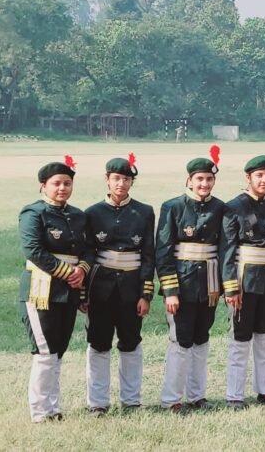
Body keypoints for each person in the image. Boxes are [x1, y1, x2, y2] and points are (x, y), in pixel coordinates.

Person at [157, 145, 229, 412]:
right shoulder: (173, 207)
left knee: (202, 338)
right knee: (180, 340)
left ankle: (197, 395)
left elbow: (224, 248)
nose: (204, 183)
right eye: (199, 178)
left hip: (209, 283)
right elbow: (163, 250)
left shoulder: (220, 207)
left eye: (209, 179)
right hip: (182, 282)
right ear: (189, 180)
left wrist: (223, 285)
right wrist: (170, 290)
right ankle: (171, 399)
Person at [19, 156, 91, 422]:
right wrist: (67, 272)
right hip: (41, 290)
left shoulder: (77, 215)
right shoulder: (33, 213)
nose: (62, 188)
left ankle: (53, 408)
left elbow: (88, 250)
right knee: (45, 351)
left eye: (67, 183)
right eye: (56, 183)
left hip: (70, 291)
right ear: (43, 185)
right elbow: (33, 250)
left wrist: (82, 270)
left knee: (59, 350)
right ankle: (40, 412)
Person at [84, 154, 155, 415]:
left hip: (131, 289)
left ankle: (132, 400)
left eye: (127, 179)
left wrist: (145, 294)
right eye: (116, 179)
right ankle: (97, 402)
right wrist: (84, 293)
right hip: (100, 290)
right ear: (107, 179)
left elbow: (148, 255)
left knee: (131, 342)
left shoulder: (144, 212)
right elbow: (88, 256)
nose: (121, 184)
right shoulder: (92, 213)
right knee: (98, 343)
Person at [220, 150, 265, 409]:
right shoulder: (234, 207)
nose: (264, 180)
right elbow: (226, 249)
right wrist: (230, 286)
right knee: (240, 338)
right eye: (259, 175)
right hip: (244, 279)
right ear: (248, 177)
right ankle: (235, 394)